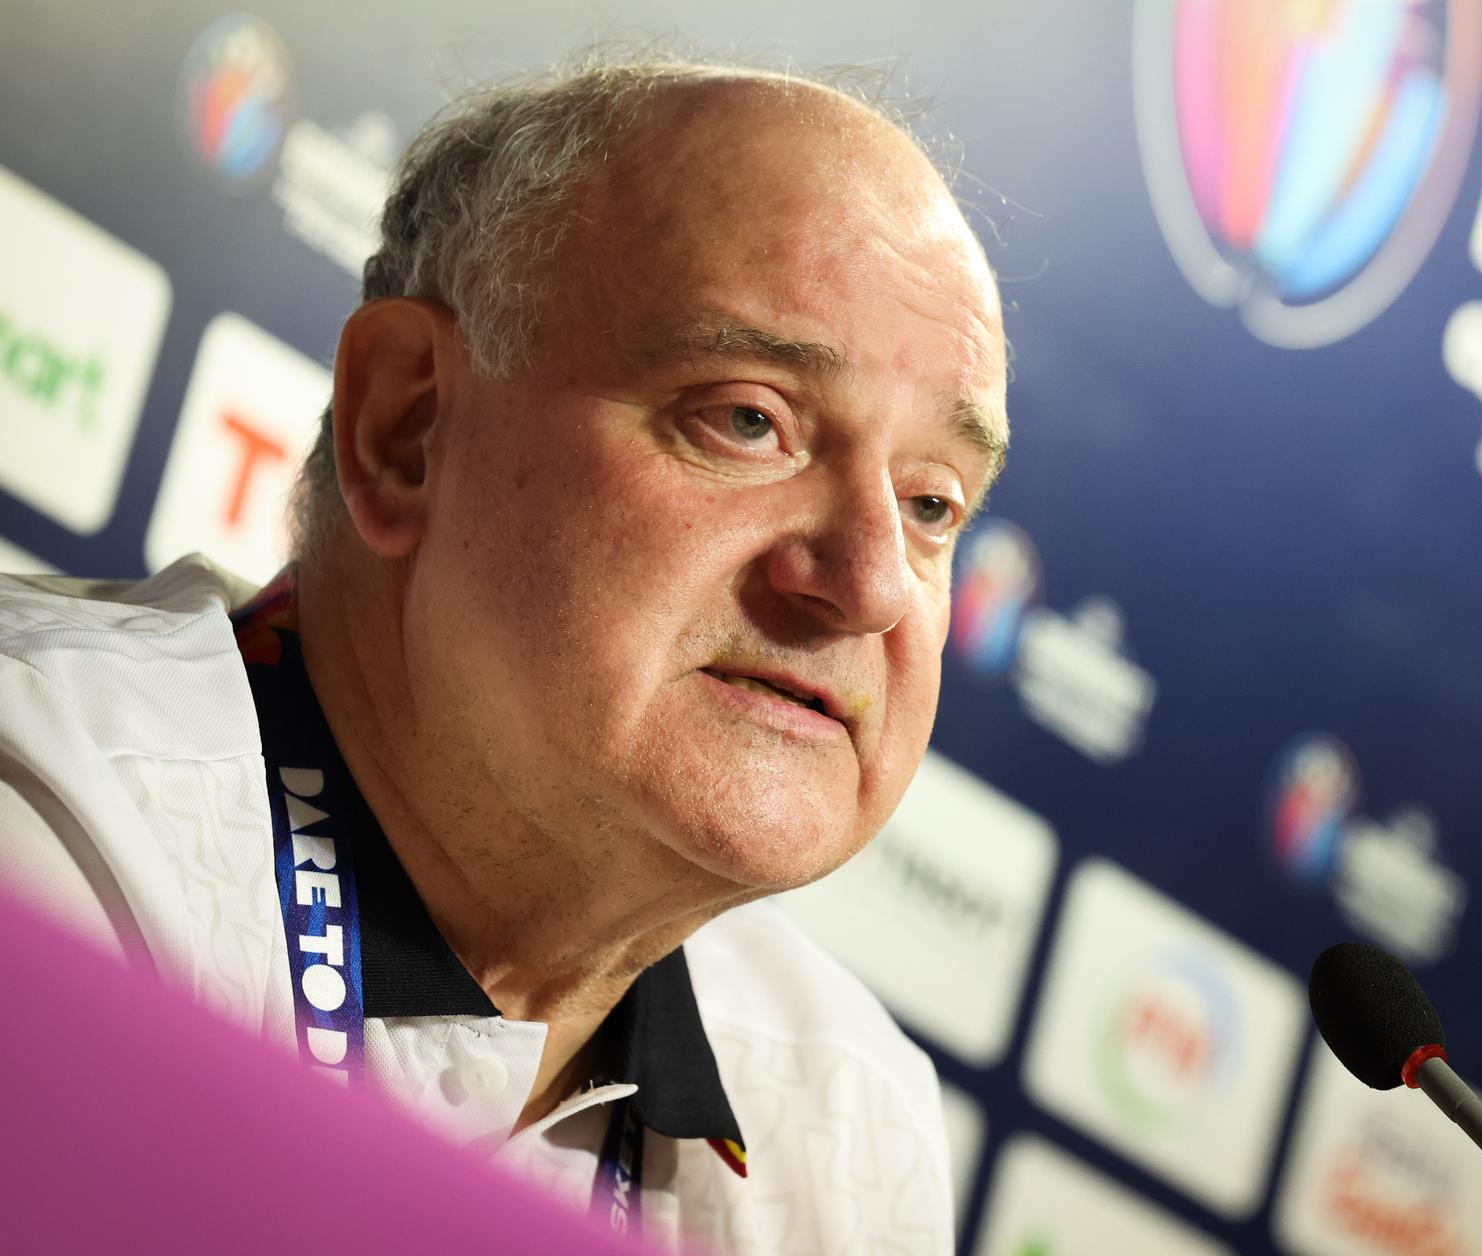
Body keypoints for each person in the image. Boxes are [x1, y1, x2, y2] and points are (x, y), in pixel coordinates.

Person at [0, 56, 1009, 1254]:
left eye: (933, 502)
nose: (873, 581)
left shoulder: (853, 1118)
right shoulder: (47, 824)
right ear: (407, 428)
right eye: (749, 418)